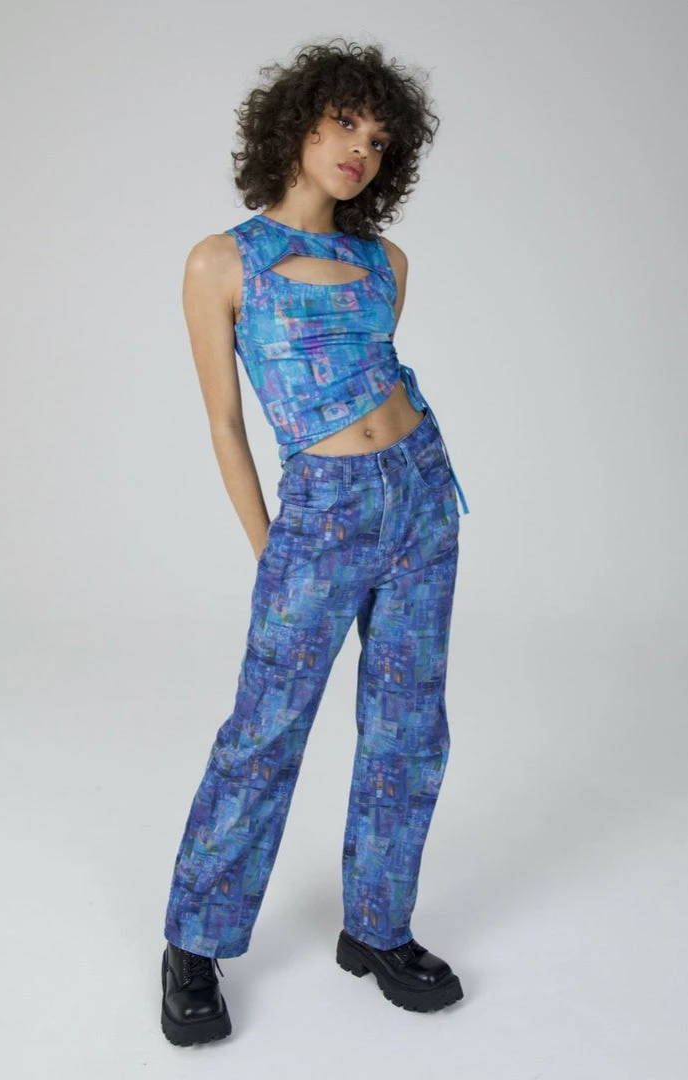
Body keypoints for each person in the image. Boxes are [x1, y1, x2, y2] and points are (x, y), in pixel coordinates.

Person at [160, 37, 470, 1046]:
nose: (358, 151)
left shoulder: (385, 262)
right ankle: (194, 942)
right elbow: (225, 424)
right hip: (320, 514)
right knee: (265, 731)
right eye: (343, 124)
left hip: (420, 496)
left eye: (377, 140)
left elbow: (375, 379)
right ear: (294, 125)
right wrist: (272, 546)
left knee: (408, 728)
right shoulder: (222, 261)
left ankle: (377, 927)